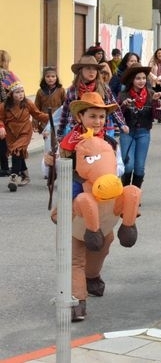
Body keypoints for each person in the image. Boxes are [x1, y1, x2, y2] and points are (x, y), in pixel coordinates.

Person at [46, 92, 137, 321]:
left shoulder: (110, 141)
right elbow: (59, 171)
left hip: (105, 199)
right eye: (93, 116)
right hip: (78, 199)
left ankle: (92, 275)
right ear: (80, 116)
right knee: (75, 250)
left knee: (105, 242)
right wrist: (51, 162)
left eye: (101, 117)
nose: (98, 121)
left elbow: (120, 168)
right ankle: (77, 299)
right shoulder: (69, 143)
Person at [56, 55, 129, 141]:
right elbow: (65, 111)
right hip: (77, 132)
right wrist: (60, 132)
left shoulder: (104, 88)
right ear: (81, 71)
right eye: (88, 68)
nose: (92, 72)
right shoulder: (73, 89)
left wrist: (122, 123)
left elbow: (114, 106)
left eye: (94, 69)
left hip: (99, 131)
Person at [117, 64, 161, 188]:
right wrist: (123, 106)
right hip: (127, 133)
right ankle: (125, 191)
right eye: (138, 78)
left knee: (139, 167)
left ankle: (135, 194)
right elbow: (116, 115)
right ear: (132, 79)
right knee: (128, 165)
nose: (141, 81)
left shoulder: (151, 93)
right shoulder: (123, 95)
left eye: (144, 78)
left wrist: (155, 102)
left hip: (144, 132)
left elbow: (157, 115)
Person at [0, 81, 49, 190]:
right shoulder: (4, 106)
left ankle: (14, 177)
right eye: (17, 92)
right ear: (11, 94)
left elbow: (38, 114)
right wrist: (1, 127)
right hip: (11, 133)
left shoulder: (28, 103)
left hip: (25, 131)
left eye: (22, 91)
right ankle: (25, 175)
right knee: (18, 153)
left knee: (16, 150)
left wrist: (51, 116)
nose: (20, 94)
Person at [33, 67, 66, 135]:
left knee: (57, 141)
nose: (50, 78)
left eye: (53, 76)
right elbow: (36, 108)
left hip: (58, 120)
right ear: (44, 78)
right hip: (45, 121)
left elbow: (65, 105)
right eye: (48, 76)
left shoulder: (61, 90)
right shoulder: (40, 92)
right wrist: (35, 123)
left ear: (56, 78)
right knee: (47, 142)